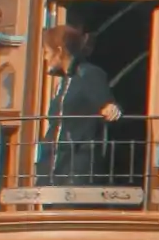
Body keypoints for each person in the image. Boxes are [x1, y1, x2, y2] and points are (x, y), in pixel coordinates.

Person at [35, 24, 122, 185]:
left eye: (47, 52)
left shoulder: (89, 74)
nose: (45, 58)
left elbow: (107, 106)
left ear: (59, 51)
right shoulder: (63, 83)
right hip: (53, 165)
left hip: (75, 169)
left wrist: (111, 109)